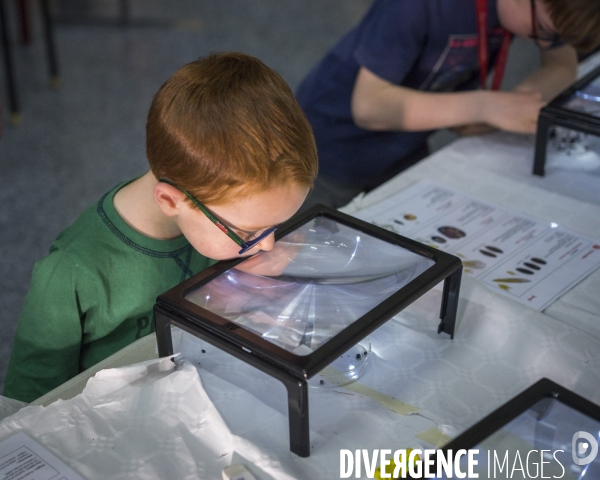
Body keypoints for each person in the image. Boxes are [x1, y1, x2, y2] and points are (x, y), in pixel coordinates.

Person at [3, 52, 318, 403]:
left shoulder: (212, 220)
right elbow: (27, 406)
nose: (268, 244)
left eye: (277, 225)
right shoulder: (70, 273)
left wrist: (250, 290)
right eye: (249, 233)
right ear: (171, 201)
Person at [297, 0, 600, 209]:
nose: (547, 42)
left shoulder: (540, 12)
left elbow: (562, 65)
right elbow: (369, 107)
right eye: (545, 32)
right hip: (328, 148)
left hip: (404, 146)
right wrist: (485, 106)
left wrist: (513, 104)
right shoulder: (419, 6)